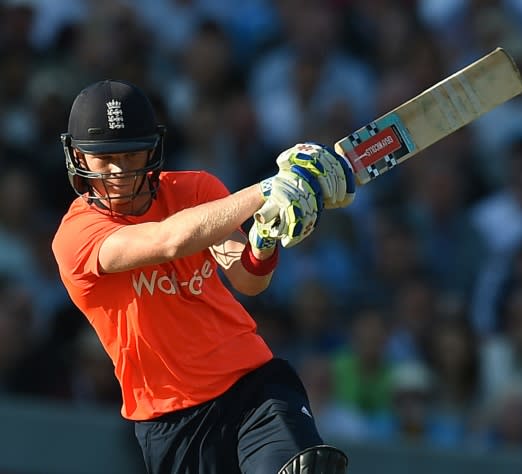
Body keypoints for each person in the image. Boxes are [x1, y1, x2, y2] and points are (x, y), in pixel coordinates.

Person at [51, 79, 356, 474]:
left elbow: (248, 279)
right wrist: (269, 190)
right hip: (169, 422)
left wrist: (264, 238)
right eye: (104, 158)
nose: (119, 172)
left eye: (130, 155)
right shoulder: (76, 236)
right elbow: (168, 239)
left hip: (253, 386)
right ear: (77, 156)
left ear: (153, 148)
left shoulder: (196, 189)